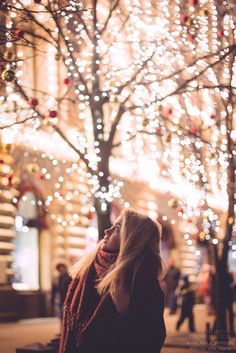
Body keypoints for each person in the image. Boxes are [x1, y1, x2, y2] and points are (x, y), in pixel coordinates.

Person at [59, 209, 166, 353]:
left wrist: (125, 311)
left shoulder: (142, 282)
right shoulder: (87, 269)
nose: (107, 231)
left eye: (116, 228)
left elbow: (151, 343)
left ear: (132, 239)